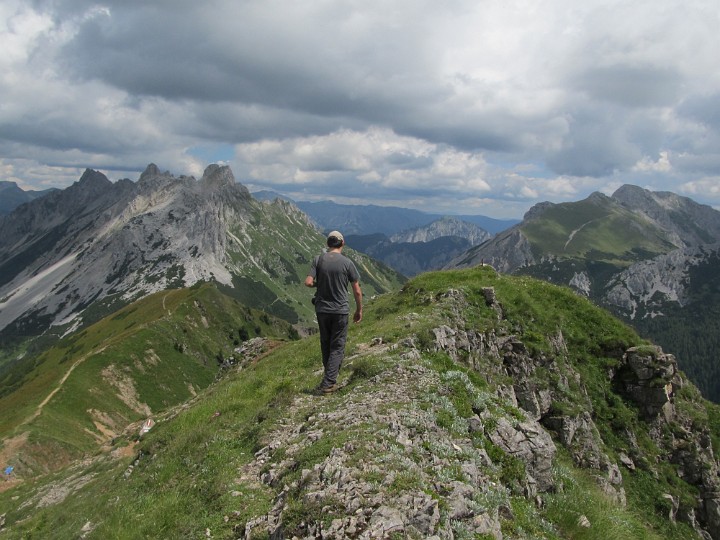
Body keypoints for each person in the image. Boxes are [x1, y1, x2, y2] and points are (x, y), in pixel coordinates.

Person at [304, 230, 363, 394]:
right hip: (340, 310)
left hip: (322, 309)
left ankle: (328, 377)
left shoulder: (318, 259)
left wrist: (319, 284)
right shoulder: (347, 263)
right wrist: (359, 310)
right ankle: (328, 383)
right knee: (337, 346)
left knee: (325, 343)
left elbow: (308, 282)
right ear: (342, 244)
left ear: (327, 244)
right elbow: (357, 291)